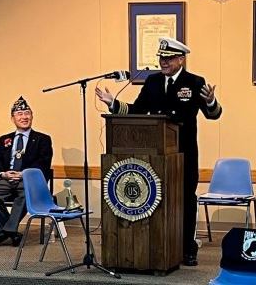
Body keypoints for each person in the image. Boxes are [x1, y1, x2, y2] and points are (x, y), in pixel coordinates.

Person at [95, 37, 222, 266]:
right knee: (158, 201)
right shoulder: (152, 82)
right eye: (161, 58)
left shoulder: (194, 82)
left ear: (181, 59)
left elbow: (214, 115)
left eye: (168, 58)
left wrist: (211, 101)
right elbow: (136, 110)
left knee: (185, 201)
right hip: (155, 157)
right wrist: (113, 103)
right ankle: (160, 248)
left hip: (184, 154)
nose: (163, 62)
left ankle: (187, 249)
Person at [0, 96, 53, 246]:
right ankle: (10, 232)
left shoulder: (43, 139)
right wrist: (3, 174)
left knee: (25, 194)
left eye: (27, 113)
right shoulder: (5, 139)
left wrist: (24, 174)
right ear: (13, 118)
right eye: (20, 114)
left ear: (32, 116)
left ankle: (3, 232)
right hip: (7, 179)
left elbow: (44, 163)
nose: (24, 117)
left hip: (29, 181)